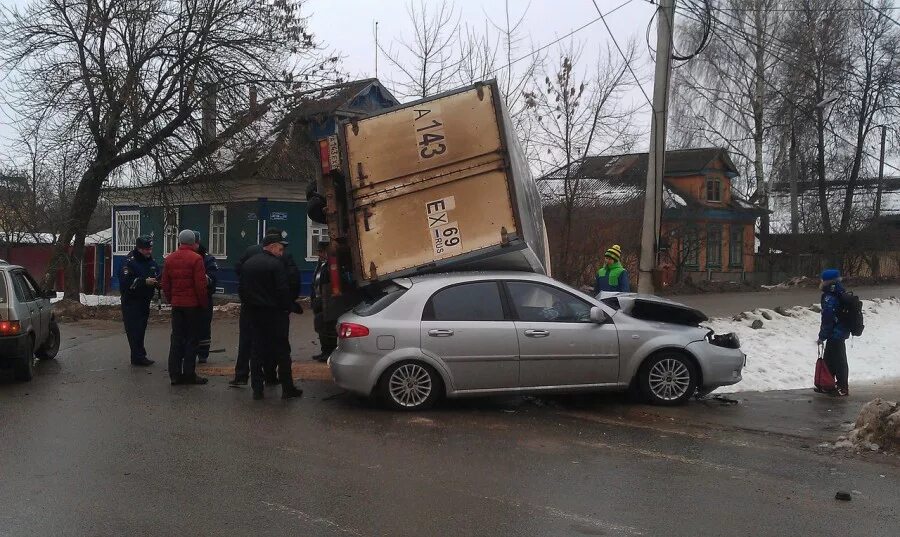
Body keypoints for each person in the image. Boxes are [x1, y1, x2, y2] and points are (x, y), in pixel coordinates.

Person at [229, 227, 300, 386]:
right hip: (274, 308)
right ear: (275, 242)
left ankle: (241, 376)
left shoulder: (250, 252)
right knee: (276, 342)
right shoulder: (283, 255)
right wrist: (288, 302)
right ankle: (271, 375)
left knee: (247, 341)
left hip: (250, 306)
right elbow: (293, 279)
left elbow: (238, 269)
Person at [161, 229, 209, 386]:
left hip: (177, 305)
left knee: (176, 338)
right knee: (191, 339)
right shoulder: (196, 259)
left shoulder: (170, 259)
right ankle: (189, 373)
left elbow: (165, 284)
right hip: (192, 306)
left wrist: (171, 299)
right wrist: (203, 304)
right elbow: (200, 286)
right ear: (193, 242)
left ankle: (174, 374)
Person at [118, 235, 160, 366]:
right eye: (146, 249)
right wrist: (144, 282)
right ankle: (137, 357)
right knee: (134, 330)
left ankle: (139, 355)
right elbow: (126, 282)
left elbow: (156, 274)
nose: (149, 251)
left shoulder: (151, 261)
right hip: (131, 302)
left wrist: (158, 283)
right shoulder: (129, 262)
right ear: (139, 248)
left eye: (150, 249)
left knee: (141, 329)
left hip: (144, 301)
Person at [818, 268, 850, 396]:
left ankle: (842, 387)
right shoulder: (839, 292)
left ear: (826, 282)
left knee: (839, 360)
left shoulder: (830, 297)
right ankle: (829, 384)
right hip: (839, 332)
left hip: (835, 334)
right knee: (829, 360)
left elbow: (827, 318)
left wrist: (822, 336)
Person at [193, 231, 218, 364]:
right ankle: (188, 351)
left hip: (204, 298)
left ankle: (203, 353)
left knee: (204, 326)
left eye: (195, 242)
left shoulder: (207, 258)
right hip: (189, 298)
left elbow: (213, 277)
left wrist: (202, 279)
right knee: (187, 327)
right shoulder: (181, 256)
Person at [311, 241, 336, 362]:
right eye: (318, 252)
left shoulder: (330, 265)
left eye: (321, 252)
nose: (319, 254)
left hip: (326, 301)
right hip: (318, 300)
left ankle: (329, 352)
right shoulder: (320, 265)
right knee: (320, 326)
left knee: (327, 327)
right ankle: (324, 350)